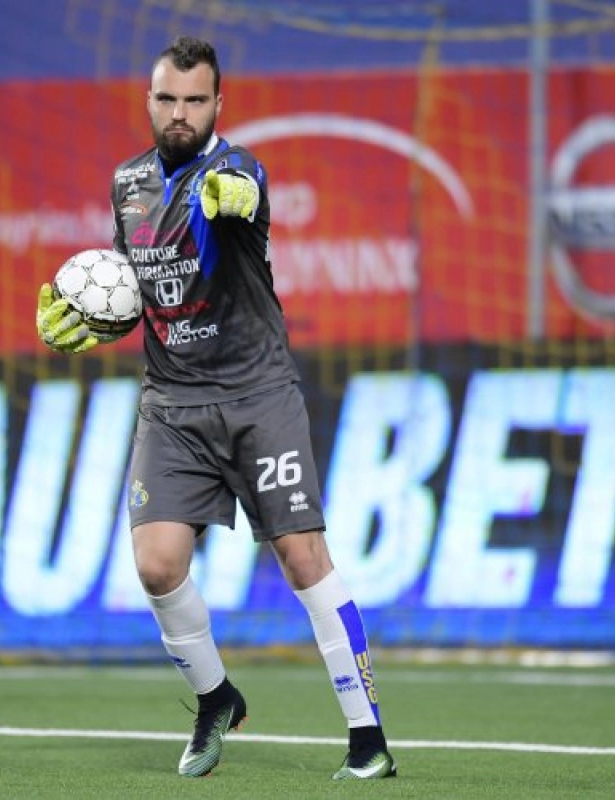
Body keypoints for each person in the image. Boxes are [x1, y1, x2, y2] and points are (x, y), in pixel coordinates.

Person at [35, 36, 396, 781]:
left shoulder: (235, 170)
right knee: (157, 565)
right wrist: (91, 318)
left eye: (195, 100)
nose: (180, 113)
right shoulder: (126, 185)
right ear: (150, 101)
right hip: (171, 403)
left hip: (257, 395)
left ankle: (369, 737)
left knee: (303, 558)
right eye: (168, 99)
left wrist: (237, 195)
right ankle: (216, 697)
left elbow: (247, 196)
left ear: (217, 105)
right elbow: (140, 292)